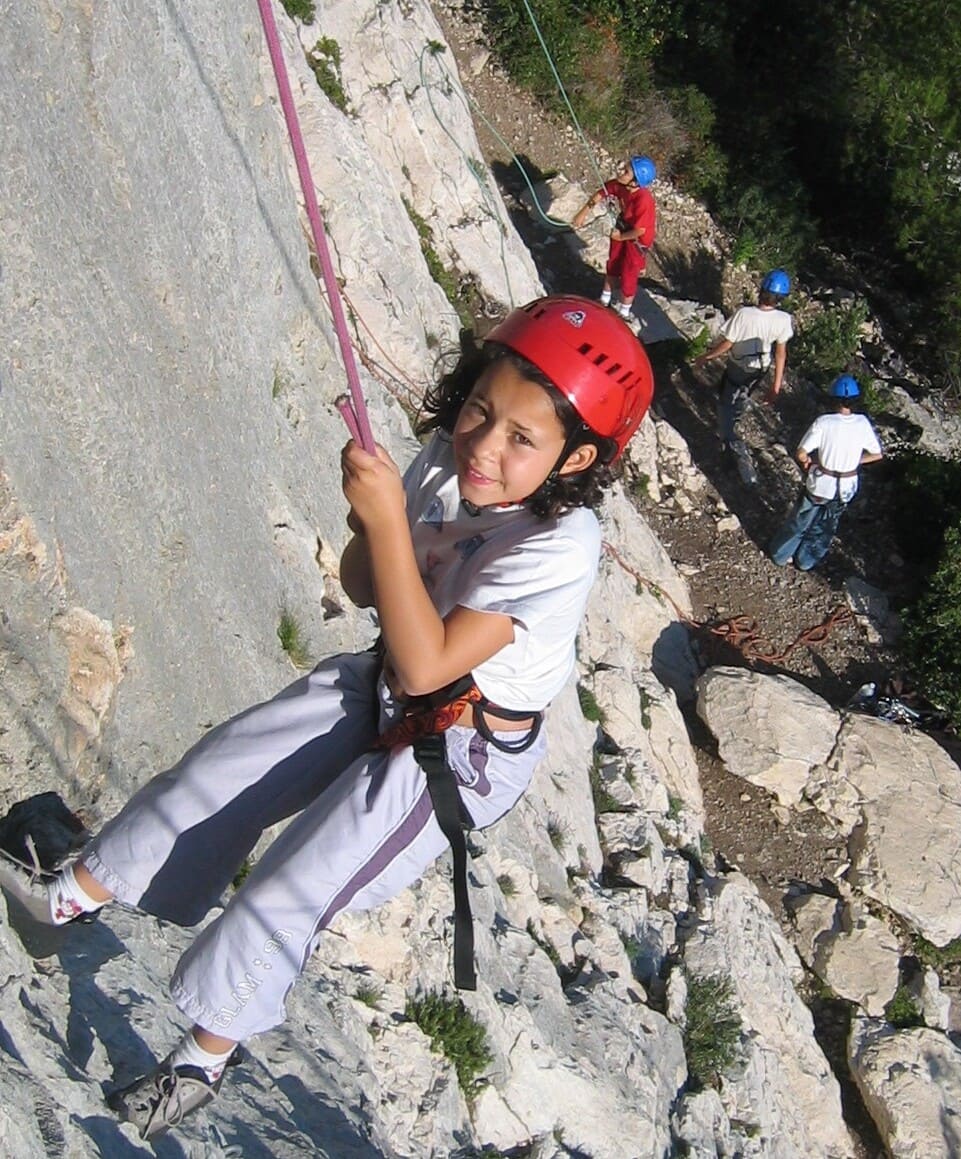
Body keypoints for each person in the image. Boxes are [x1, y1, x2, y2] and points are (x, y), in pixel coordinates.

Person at [0, 295, 653, 1140]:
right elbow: (358, 584)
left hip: (461, 746)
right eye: (477, 410)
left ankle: (202, 1060)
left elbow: (431, 661)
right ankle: (66, 900)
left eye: (521, 439)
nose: (483, 445)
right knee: (222, 768)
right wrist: (375, 522)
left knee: (291, 886)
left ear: (577, 459)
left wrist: (391, 524)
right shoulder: (443, 461)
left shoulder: (558, 547)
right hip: (393, 682)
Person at [768, 374, 883, 571]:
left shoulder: (824, 422)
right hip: (847, 486)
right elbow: (876, 454)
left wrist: (809, 463)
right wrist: (854, 462)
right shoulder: (862, 423)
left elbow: (802, 452)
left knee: (801, 519)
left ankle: (780, 555)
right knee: (827, 526)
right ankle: (806, 561)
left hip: (821, 482)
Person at [692, 269, 794, 485]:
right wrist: (775, 386)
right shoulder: (784, 320)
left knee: (726, 398)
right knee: (742, 392)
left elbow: (728, 343)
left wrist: (706, 357)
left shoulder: (744, 314)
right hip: (761, 367)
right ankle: (737, 412)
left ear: (762, 291)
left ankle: (729, 438)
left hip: (739, 366)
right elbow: (780, 353)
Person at [571, 155, 657, 328]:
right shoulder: (621, 185)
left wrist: (619, 237)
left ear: (635, 182)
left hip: (637, 240)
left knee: (628, 274)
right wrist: (583, 212)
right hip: (624, 227)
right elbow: (601, 192)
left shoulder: (643, 201)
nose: (621, 172)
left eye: (626, 171)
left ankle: (624, 311)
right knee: (614, 263)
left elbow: (640, 231)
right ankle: (604, 298)